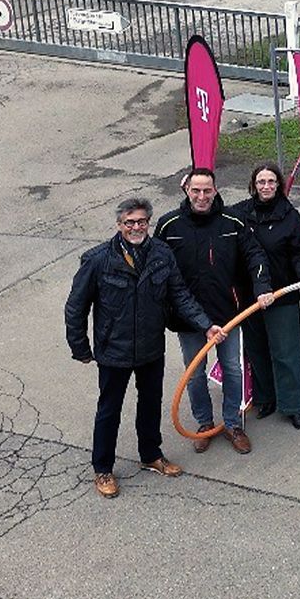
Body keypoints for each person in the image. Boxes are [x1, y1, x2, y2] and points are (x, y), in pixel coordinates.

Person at [65, 198, 224, 499]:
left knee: (150, 404)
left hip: (151, 347)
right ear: (119, 225)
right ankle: (103, 468)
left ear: (148, 223)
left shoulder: (162, 254)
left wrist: (206, 325)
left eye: (141, 222)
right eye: (129, 222)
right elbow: (75, 307)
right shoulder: (97, 259)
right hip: (114, 350)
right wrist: (80, 346)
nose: (136, 227)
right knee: (109, 410)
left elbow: (180, 294)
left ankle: (151, 454)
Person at [156, 168, 273, 455]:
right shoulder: (168, 225)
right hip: (187, 318)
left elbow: (255, 255)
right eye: (196, 190)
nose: (201, 196)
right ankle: (204, 423)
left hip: (228, 315)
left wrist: (262, 286)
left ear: (216, 190)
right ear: (187, 191)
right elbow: (158, 270)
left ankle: (233, 423)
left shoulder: (233, 222)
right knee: (194, 374)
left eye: (207, 190)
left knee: (233, 370)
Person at [232, 162, 300, 432]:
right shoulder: (239, 213)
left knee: (286, 353)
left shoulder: (290, 216)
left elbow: (298, 252)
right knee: (257, 350)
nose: (266, 187)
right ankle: (265, 397)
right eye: (261, 182)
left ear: (279, 185)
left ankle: (293, 406)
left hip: (282, 295)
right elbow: (212, 211)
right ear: (253, 185)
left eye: (271, 182)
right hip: (251, 296)